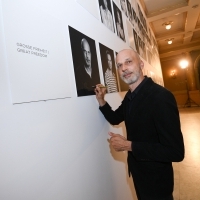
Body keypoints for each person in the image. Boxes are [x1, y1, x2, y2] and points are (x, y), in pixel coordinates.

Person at [94, 49, 184, 200]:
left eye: (128, 62)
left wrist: (129, 145)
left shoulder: (161, 97)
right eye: (119, 65)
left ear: (141, 64)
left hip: (157, 182)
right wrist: (102, 101)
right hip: (139, 174)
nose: (124, 68)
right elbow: (116, 118)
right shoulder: (131, 96)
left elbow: (175, 152)